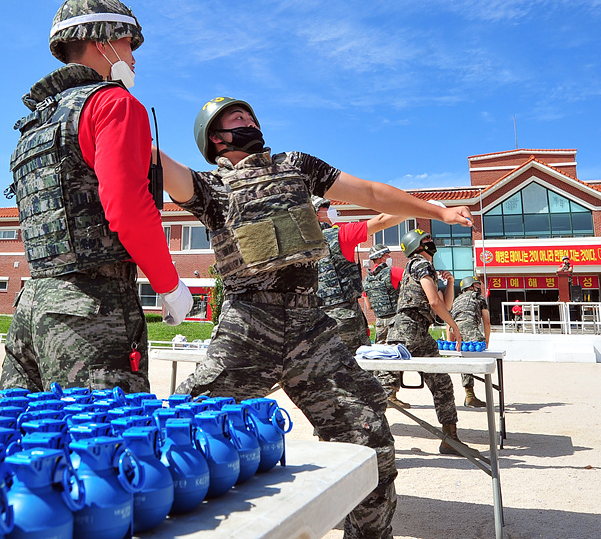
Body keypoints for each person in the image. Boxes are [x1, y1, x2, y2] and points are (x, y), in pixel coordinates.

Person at [156, 95, 473, 539]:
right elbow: (165, 166)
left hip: (311, 326)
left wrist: (436, 210)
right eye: (236, 117)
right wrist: (123, 118)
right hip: (248, 326)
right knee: (177, 430)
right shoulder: (211, 189)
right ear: (216, 138)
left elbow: (368, 192)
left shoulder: (296, 165)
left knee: (369, 434)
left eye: (249, 113)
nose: (248, 119)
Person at [0, 0, 190, 394]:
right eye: (127, 44)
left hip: (33, 305)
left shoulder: (35, 124)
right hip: (93, 312)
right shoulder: (113, 103)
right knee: (106, 444)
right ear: (103, 40)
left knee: (26, 441)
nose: (134, 58)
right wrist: (169, 284)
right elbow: (127, 209)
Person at [382, 228, 465, 455]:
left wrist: (450, 284)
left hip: (410, 330)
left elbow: (442, 307)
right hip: (410, 329)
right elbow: (435, 303)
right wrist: (455, 327)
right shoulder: (420, 264)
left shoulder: (424, 269)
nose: (431, 241)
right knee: (438, 383)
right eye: (426, 239)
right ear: (416, 246)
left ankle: (364, 436)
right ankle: (450, 438)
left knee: (383, 387)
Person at [311, 196, 400, 353]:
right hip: (344, 317)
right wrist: (430, 210)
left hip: (313, 319)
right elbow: (382, 221)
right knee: (360, 367)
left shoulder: (298, 246)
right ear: (317, 214)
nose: (330, 211)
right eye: (325, 208)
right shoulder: (341, 235)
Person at [449, 273, 492, 407]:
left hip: (455, 331)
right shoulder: (479, 298)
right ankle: (475, 396)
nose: (479, 287)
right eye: (476, 285)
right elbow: (487, 321)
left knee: (465, 361)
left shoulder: (456, 300)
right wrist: (486, 341)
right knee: (486, 361)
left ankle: (469, 395)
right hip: (471, 330)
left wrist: (451, 343)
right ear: (470, 287)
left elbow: (448, 323)